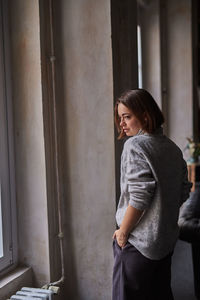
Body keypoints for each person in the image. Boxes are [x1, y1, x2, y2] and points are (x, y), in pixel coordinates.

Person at [112, 89, 192, 300]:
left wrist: (123, 232)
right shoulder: (172, 148)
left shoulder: (135, 146)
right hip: (164, 244)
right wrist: (161, 214)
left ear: (145, 115)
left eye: (127, 116)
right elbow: (183, 190)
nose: (122, 124)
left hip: (137, 243)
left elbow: (139, 197)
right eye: (120, 118)